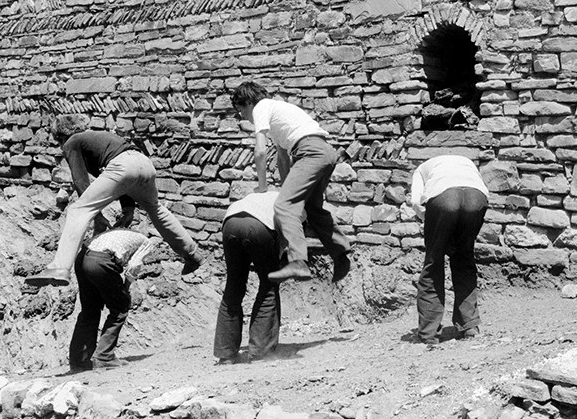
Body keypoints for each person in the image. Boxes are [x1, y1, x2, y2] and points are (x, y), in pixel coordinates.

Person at [25, 119, 202, 287]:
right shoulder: (96, 138)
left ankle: (59, 267)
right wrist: (128, 210)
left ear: (61, 136)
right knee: (156, 209)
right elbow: (127, 176)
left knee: (78, 210)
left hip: (124, 165)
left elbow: (81, 181)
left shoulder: (72, 141)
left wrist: (97, 216)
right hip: (145, 163)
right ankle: (191, 253)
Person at [230, 81, 351, 283]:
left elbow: (260, 151)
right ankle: (341, 255)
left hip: (310, 153)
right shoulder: (278, 111)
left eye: (240, 110)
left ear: (249, 102)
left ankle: (298, 262)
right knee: (313, 208)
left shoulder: (261, 107)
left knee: (284, 207)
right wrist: (288, 189)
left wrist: (262, 186)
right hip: (324, 152)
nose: (242, 116)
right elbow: (283, 157)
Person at [409, 154, 489, 344]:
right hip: (476, 197)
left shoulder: (421, 169)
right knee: (464, 258)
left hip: (443, 197)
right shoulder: (467, 162)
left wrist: (433, 225)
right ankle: (469, 326)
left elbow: (416, 202)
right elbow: (480, 188)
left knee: (434, 262)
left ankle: (428, 333)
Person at [214, 191, 283, 365]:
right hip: (260, 226)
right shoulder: (299, 204)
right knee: (269, 286)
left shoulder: (266, 195)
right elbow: (291, 240)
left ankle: (226, 353)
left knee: (234, 286)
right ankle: (260, 352)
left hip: (230, 221)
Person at [69, 228, 150, 371]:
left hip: (82, 257)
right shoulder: (146, 242)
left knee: (89, 310)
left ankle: (79, 361)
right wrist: (125, 289)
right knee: (120, 307)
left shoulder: (119, 231)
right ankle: (104, 357)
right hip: (100, 261)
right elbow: (133, 266)